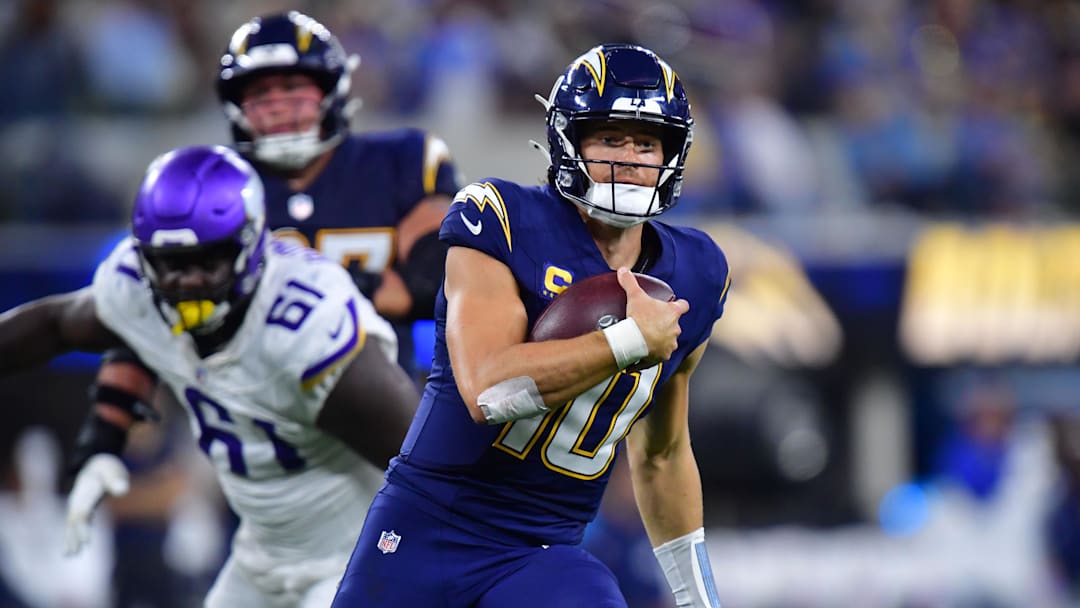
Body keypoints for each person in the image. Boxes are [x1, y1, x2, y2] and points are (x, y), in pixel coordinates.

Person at [331, 44, 731, 608]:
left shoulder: (697, 272)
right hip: (430, 528)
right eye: (610, 139)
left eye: (647, 143)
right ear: (570, 141)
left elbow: (661, 454)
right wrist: (627, 342)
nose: (631, 159)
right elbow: (488, 392)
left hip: (542, 553)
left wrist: (699, 601)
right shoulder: (501, 218)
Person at [0, 145, 420, 608]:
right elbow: (56, 325)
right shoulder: (140, 288)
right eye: (173, 262)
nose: (188, 281)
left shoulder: (304, 330)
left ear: (250, 244)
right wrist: (103, 440)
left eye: (207, 260)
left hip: (355, 552)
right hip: (261, 555)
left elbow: (426, 463)